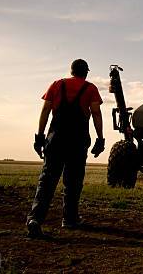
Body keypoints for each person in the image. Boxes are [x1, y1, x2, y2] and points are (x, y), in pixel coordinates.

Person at [26, 59, 105, 238]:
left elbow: (45, 110)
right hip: (77, 141)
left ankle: (35, 219)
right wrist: (100, 138)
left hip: (56, 139)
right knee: (73, 181)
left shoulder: (57, 84)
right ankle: (69, 219)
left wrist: (39, 137)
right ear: (86, 72)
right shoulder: (90, 88)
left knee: (47, 181)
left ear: (71, 71)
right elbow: (96, 113)